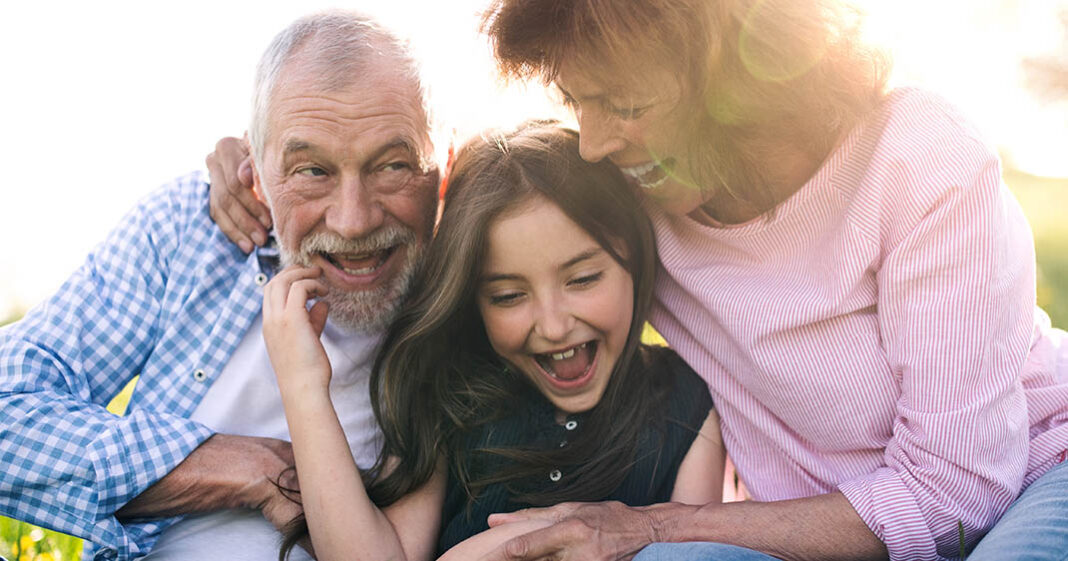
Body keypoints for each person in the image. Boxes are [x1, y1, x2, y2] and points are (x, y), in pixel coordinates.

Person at [203, 1, 1068, 560]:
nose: (594, 141)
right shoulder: (633, 196)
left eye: (622, 105)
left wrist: (650, 523)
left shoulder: (918, 159)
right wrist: (254, 165)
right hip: (824, 530)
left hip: (1029, 475)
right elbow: (455, 198)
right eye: (581, 101)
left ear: (735, 85)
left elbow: (956, 493)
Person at [0, 11, 439, 561]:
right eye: (312, 171)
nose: (353, 221)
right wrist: (245, 468)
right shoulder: (192, 231)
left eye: (392, 165)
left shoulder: (465, 298)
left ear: (440, 163)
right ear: (253, 169)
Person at [261, 122, 725, 561]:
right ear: (473, 301)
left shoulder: (687, 403)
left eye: (582, 279)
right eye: (508, 296)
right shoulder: (453, 391)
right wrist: (302, 385)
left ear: (635, 259)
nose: (555, 325)